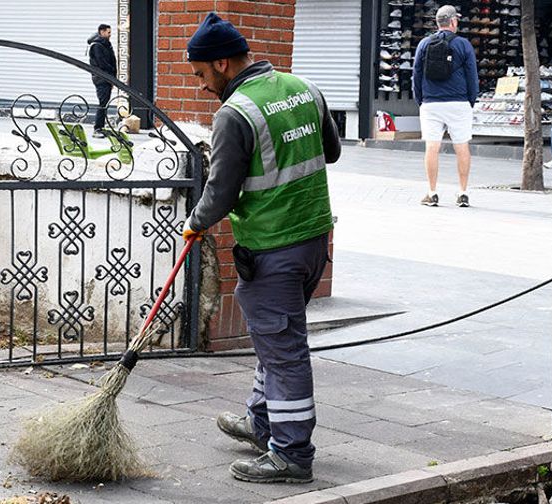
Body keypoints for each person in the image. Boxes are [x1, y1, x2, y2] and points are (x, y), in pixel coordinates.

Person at [181, 12, 341, 484]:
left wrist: (194, 223)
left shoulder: (235, 114)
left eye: (202, 74)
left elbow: (220, 193)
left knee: (285, 350)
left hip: (273, 246)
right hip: (314, 241)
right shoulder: (304, 88)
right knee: (276, 338)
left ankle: (291, 453)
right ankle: (261, 422)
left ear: (223, 63)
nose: (201, 86)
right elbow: (331, 152)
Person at [412, 5, 478, 207]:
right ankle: (463, 193)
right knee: (462, 146)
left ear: (437, 22)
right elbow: (472, 76)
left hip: (431, 103)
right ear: (453, 21)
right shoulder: (463, 44)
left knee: (432, 147)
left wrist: (421, 100)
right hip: (459, 102)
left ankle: (432, 193)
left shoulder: (424, 43)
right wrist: (470, 101)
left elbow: (416, 75)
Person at [87, 23, 117, 138]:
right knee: (102, 103)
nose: (110, 35)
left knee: (104, 103)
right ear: (102, 32)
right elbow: (102, 63)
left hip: (107, 77)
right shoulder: (97, 46)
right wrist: (111, 72)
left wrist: (113, 79)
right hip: (101, 78)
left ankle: (101, 127)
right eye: (108, 32)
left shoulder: (105, 44)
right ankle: (97, 128)